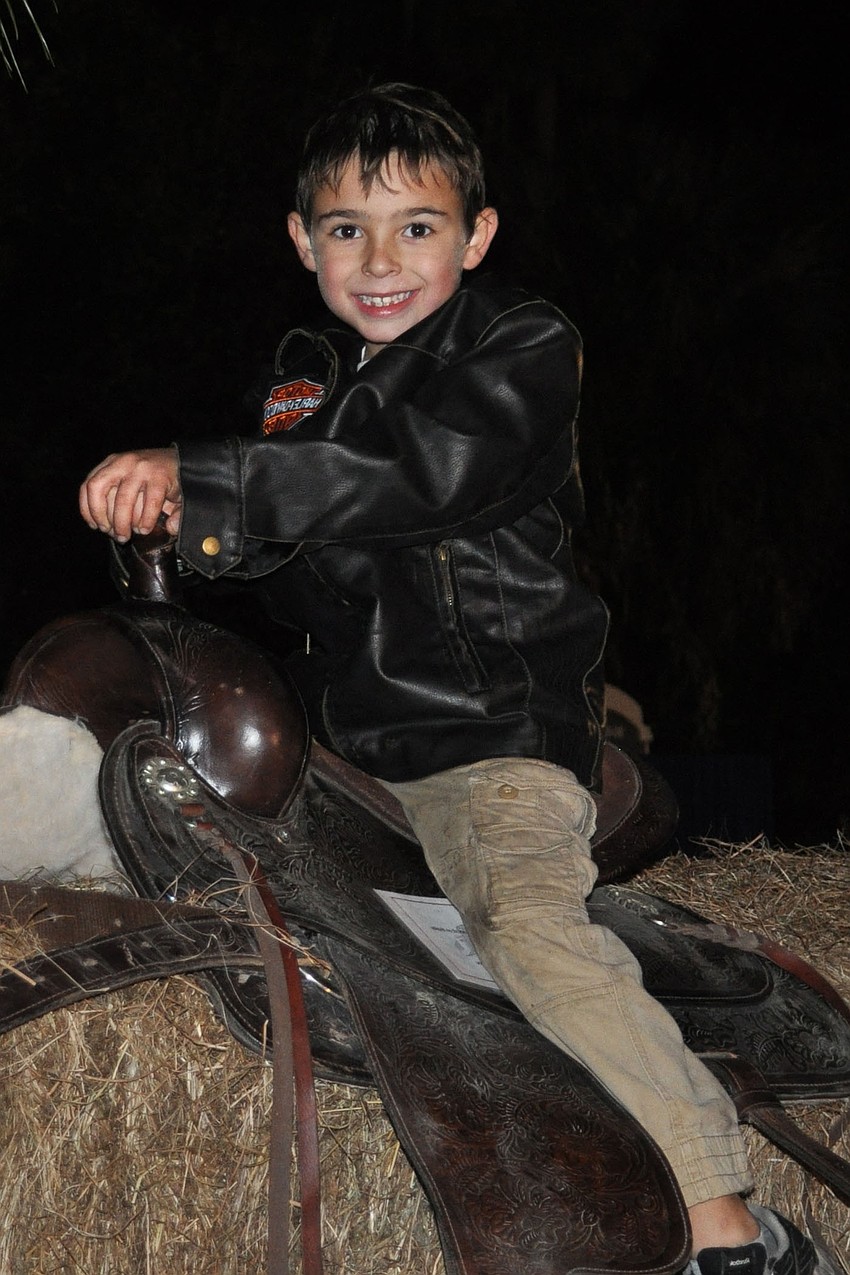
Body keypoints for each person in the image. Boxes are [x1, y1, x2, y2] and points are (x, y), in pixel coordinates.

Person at [79, 82, 834, 1275]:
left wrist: (209, 474)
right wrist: (192, 528)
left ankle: (725, 1219)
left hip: (491, 744)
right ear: (302, 242)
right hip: (353, 759)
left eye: (416, 227)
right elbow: (291, 540)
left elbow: (418, 476)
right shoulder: (304, 380)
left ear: (475, 237)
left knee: (528, 933)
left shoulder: (517, 348)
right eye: (347, 229)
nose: (379, 260)